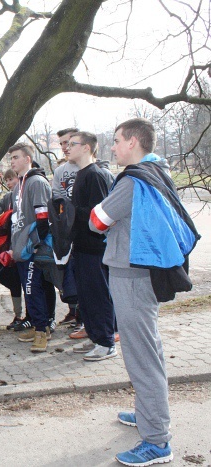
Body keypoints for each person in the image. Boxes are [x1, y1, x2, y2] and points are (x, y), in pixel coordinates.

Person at [90, 118, 198, 466]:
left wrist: (107, 215)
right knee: (148, 347)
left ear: (134, 142)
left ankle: (157, 441)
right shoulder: (158, 172)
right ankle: (148, 413)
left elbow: (96, 221)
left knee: (141, 356)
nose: (113, 147)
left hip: (132, 277)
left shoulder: (134, 181)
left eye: (118, 140)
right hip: (143, 275)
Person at [67, 131, 117, 361]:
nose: (67, 148)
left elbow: (101, 214)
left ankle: (106, 343)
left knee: (98, 295)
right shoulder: (82, 174)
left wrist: (69, 211)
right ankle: (96, 336)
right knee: (86, 297)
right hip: (82, 246)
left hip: (95, 248)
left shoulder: (95, 175)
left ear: (86, 147)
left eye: (72, 144)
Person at [6, 143, 52, 352]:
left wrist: (35, 244)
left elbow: (43, 218)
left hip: (33, 248)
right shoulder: (18, 186)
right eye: (11, 158)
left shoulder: (37, 182)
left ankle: (42, 331)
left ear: (27, 159)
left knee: (34, 289)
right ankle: (38, 325)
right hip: (21, 248)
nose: (12, 161)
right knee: (29, 289)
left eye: (16, 157)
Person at [52, 127, 81, 330]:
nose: (64, 147)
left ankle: (91, 321)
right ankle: (75, 312)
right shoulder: (60, 172)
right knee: (69, 274)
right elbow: (57, 199)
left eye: (68, 142)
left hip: (88, 232)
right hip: (68, 231)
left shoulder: (89, 168)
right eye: (61, 143)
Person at [0, 169, 24, 330]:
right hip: (8, 246)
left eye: (12, 179)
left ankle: (31, 314)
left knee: (28, 283)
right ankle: (18, 314)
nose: (10, 183)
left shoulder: (25, 193)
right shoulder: (9, 198)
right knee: (12, 281)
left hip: (22, 245)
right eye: (8, 180)